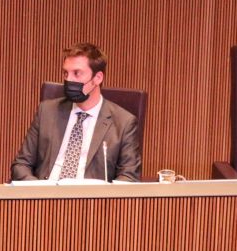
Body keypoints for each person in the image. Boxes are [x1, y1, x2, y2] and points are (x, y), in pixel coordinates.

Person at [10, 43, 141, 182]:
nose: (68, 80)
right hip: (45, 191)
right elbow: (21, 164)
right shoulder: (47, 111)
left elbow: (129, 176)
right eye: (66, 73)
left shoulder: (124, 123)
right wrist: (38, 189)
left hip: (91, 195)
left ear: (98, 78)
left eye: (77, 73)